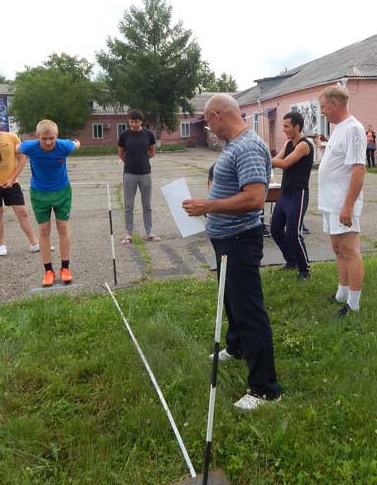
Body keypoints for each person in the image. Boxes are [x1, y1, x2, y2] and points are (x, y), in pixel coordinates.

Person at [183, 93, 282, 411]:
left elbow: (255, 198)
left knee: (249, 309)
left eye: (207, 121)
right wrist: (208, 205)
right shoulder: (234, 145)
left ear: (217, 116)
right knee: (230, 299)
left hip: (240, 239)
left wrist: (208, 206)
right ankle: (236, 347)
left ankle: (265, 389)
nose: (208, 129)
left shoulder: (248, 147)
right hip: (226, 238)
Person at [318, 83, 367, 318]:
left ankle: (353, 304)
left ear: (335, 104)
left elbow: (358, 169)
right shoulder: (338, 128)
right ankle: (342, 293)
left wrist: (348, 205)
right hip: (331, 202)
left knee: (350, 250)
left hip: (342, 202)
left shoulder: (354, 129)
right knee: (338, 249)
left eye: (323, 107)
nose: (322, 112)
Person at [18, 119, 80, 286]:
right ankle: (48, 271)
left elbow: (76, 144)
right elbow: (17, 148)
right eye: (44, 139)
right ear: (37, 136)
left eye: (51, 138)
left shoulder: (64, 146)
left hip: (62, 191)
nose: (48, 142)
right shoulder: (30, 147)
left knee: (63, 227)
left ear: (56, 136)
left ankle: (65, 268)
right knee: (44, 230)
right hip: (39, 193)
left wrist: (76, 143)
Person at [0, 114, 40, 256]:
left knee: (22, 212)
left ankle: (34, 243)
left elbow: (22, 159)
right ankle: (2, 245)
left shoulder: (12, 137)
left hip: (12, 182)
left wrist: (12, 178)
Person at [270, 111, 314, 279]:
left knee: (292, 234)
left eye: (286, 126)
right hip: (285, 193)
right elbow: (276, 160)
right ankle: (291, 261)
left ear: (297, 126)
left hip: (298, 194)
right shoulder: (288, 144)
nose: (284, 129)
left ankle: (305, 270)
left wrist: (264, 157)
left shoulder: (304, 145)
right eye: (283, 126)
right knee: (275, 229)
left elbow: (284, 163)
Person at [118, 109, 160, 244]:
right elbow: (120, 154)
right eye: (131, 121)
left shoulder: (148, 134)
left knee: (147, 205)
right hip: (129, 174)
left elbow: (152, 152)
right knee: (129, 206)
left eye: (136, 122)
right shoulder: (124, 135)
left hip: (145, 174)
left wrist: (142, 160)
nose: (133, 124)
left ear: (141, 121)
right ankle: (128, 234)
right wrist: (130, 163)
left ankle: (149, 232)